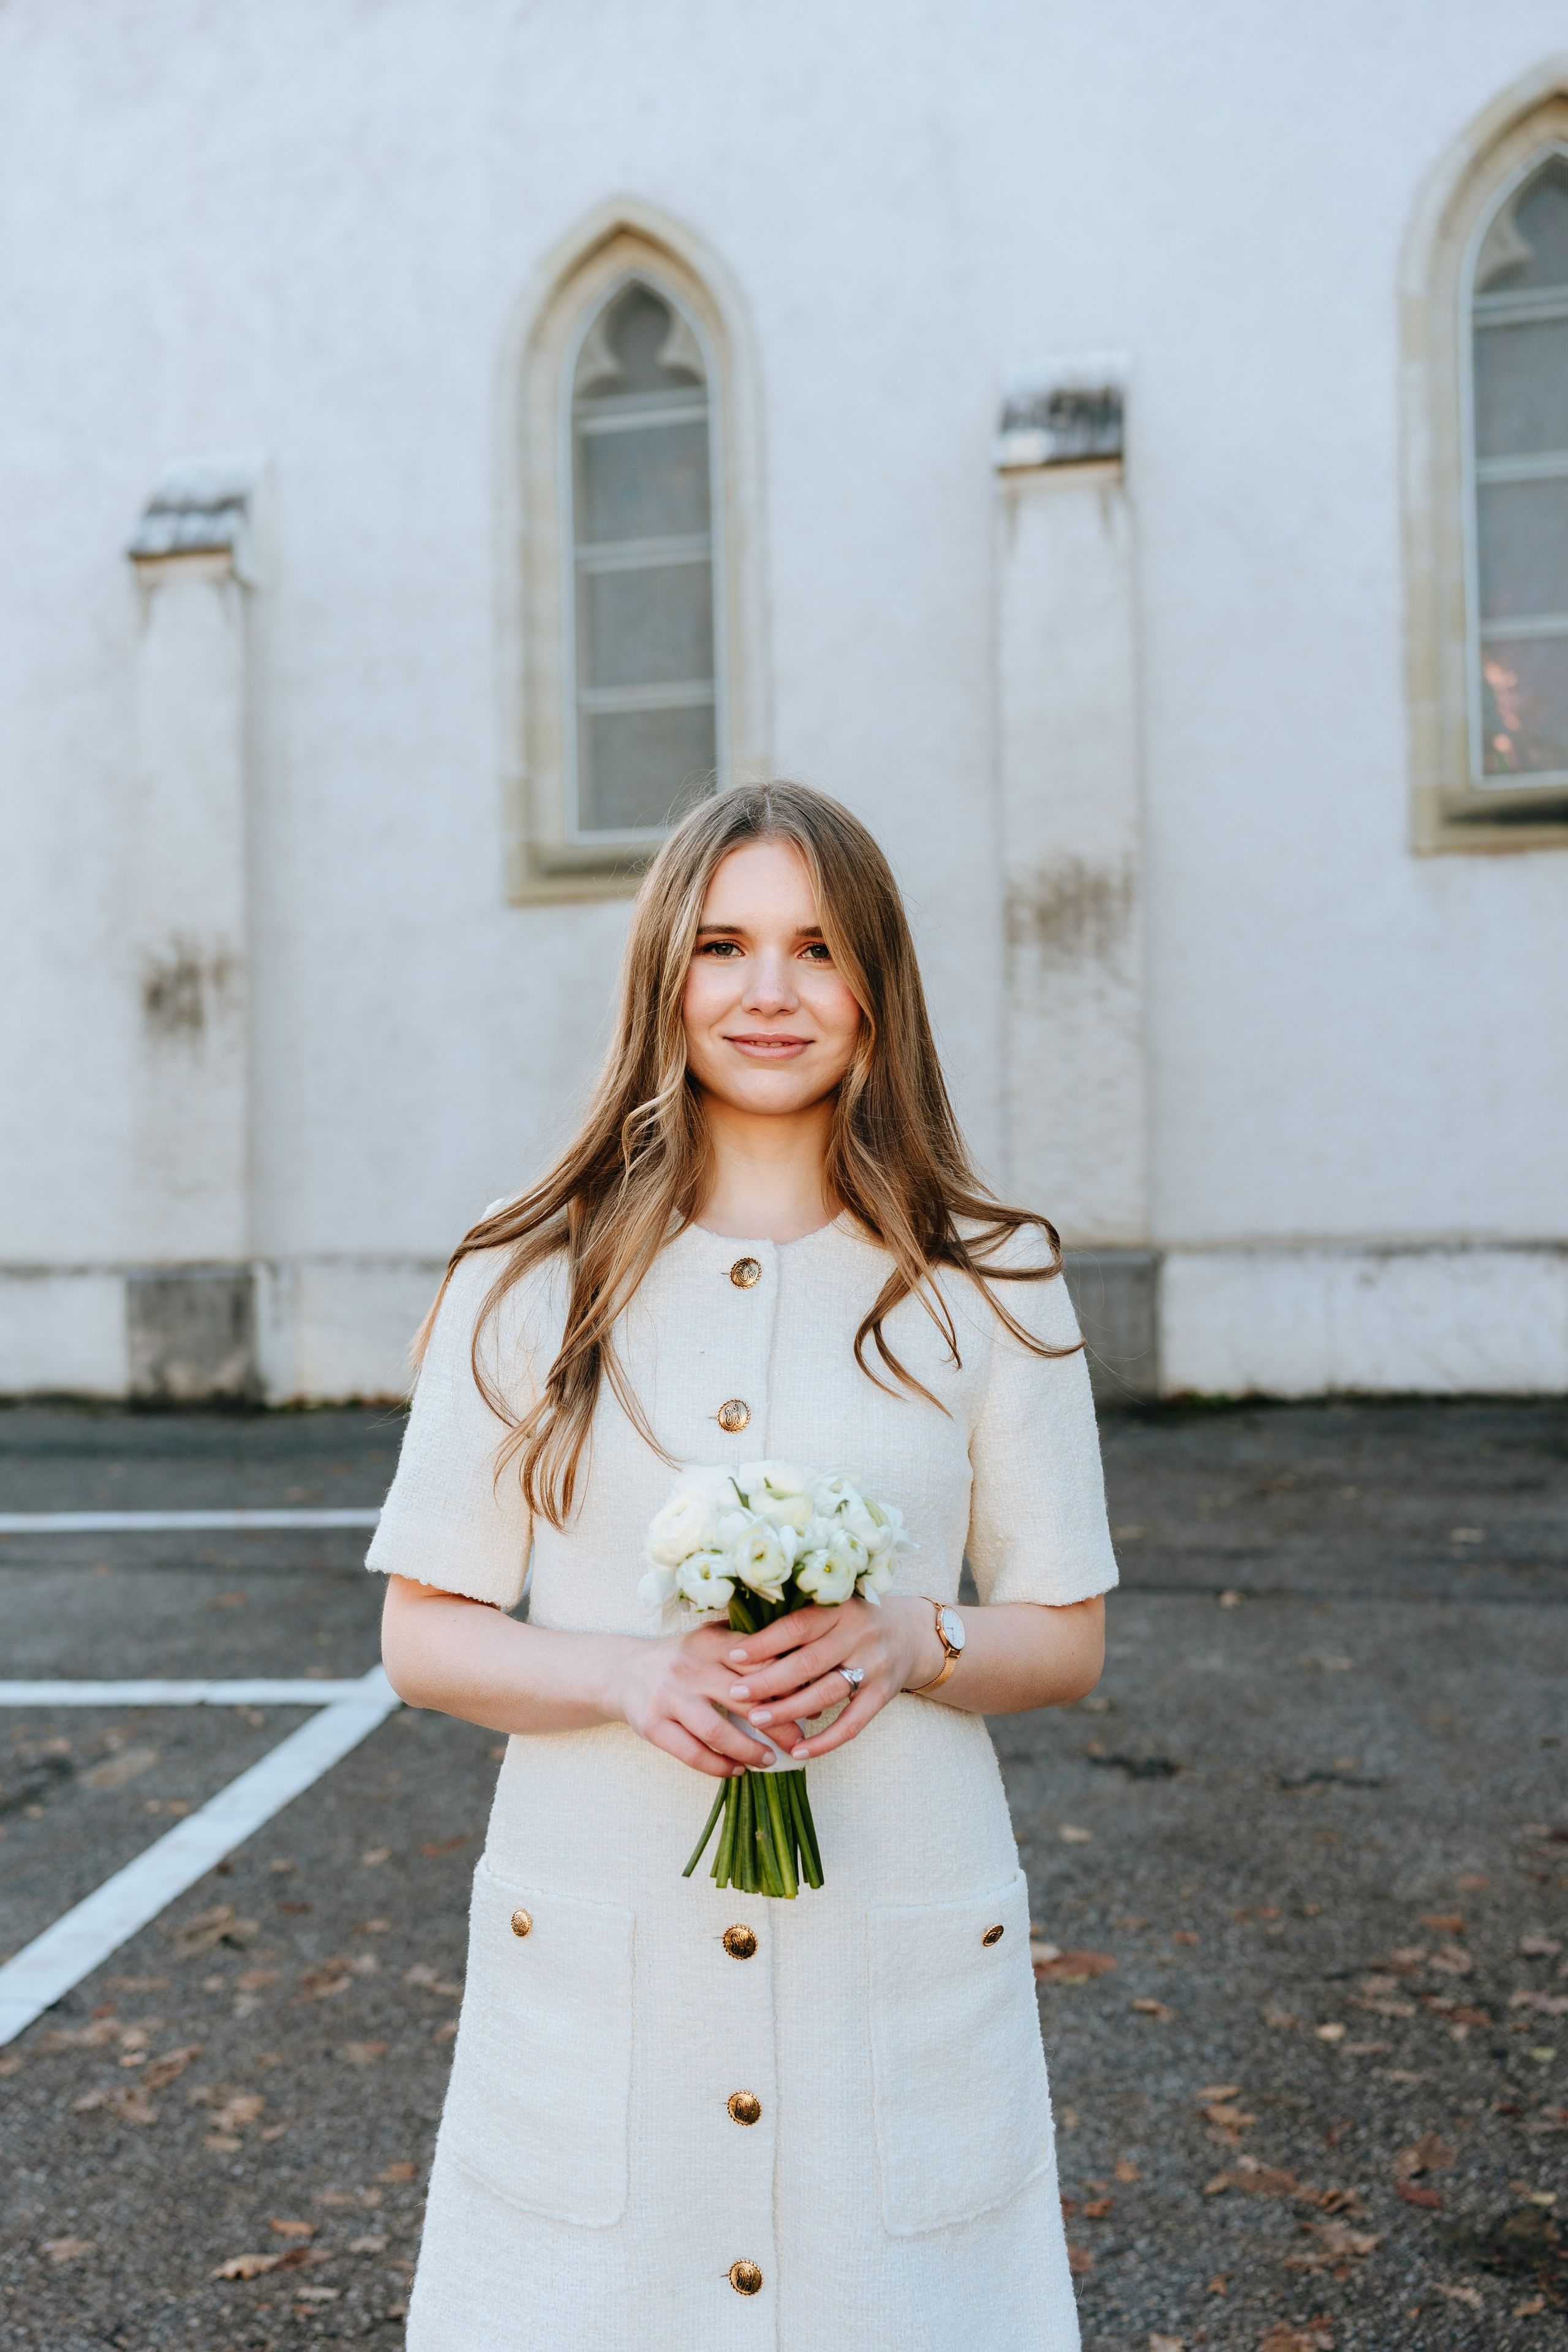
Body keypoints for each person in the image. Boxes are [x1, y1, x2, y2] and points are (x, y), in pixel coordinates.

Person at [369, 780, 1118, 2351]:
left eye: (817, 948)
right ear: (665, 973)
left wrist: (913, 1640)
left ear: (876, 984)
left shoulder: (995, 1274)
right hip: (608, 1941)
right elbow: (424, 1633)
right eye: (722, 946)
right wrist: (624, 1676)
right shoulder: (526, 1270)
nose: (769, 991)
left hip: (893, 1931)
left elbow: (1063, 1634)